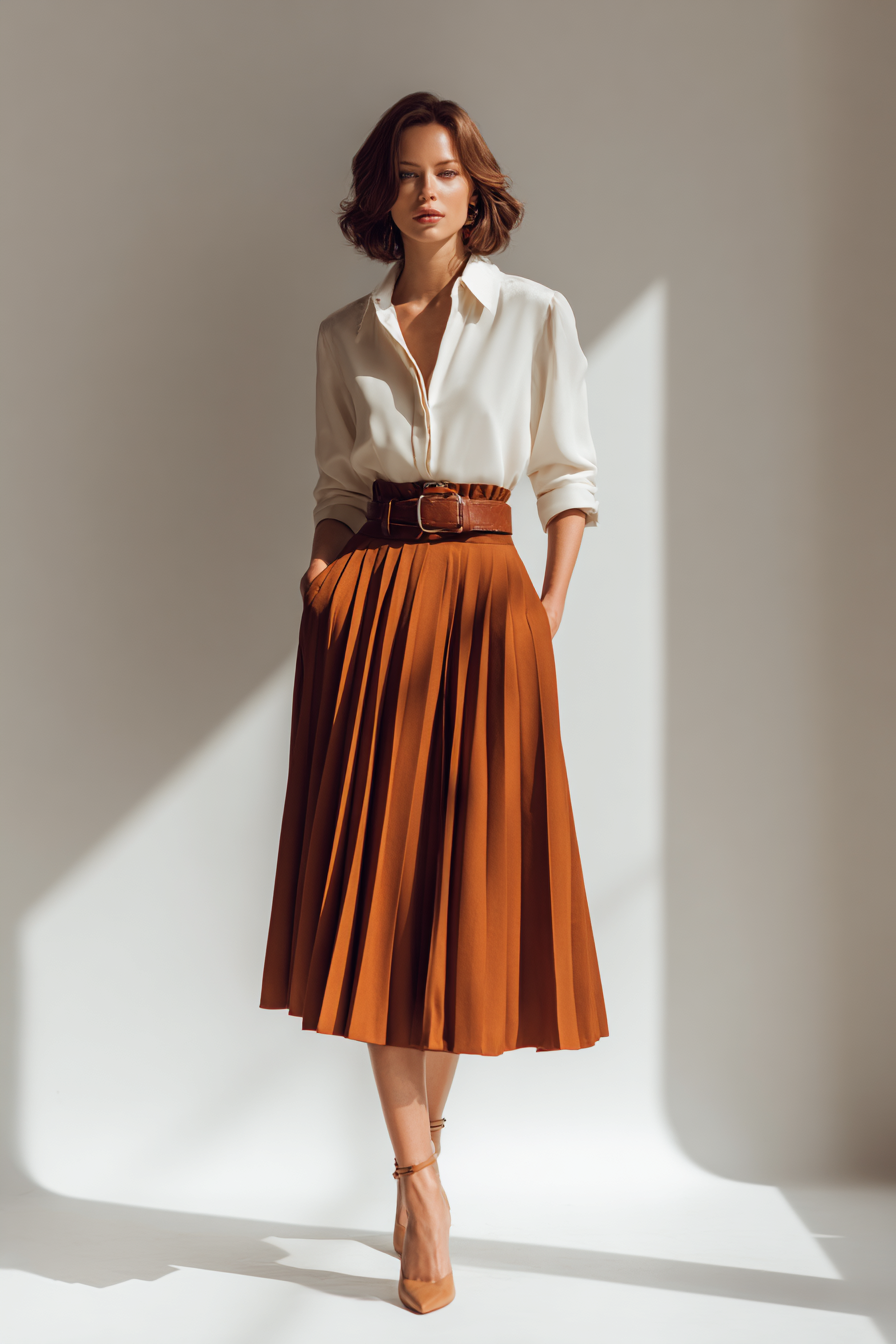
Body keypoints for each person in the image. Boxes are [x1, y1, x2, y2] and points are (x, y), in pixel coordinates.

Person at [260, 91, 608, 1315]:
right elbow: (336, 488)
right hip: (372, 608)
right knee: (377, 896)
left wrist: (547, 608)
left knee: (454, 901)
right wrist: (322, 574)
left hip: (486, 604)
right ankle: (419, 1184)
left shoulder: (535, 315)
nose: (426, 192)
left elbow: (567, 471)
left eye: (446, 171)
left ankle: (421, 1164)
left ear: (475, 189)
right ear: (382, 195)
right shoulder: (341, 334)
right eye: (406, 174)